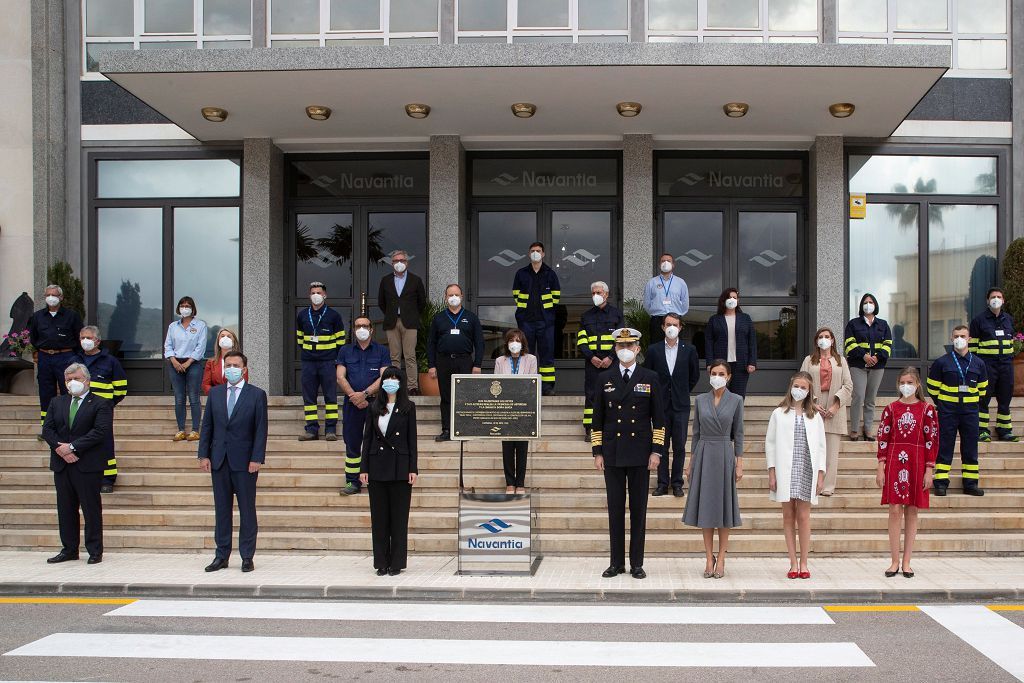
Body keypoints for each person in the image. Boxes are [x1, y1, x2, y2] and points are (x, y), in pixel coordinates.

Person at [591, 327, 666, 580]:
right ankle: (615, 563)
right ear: (615, 349)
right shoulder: (605, 379)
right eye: (620, 346)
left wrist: (656, 451)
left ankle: (636, 563)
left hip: (640, 454)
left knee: (638, 510)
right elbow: (596, 419)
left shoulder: (650, 377)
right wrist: (597, 451)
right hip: (612, 453)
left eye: (629, 346)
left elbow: (660, 419)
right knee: (615, 510)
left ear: (637, 349)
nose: (625, 350)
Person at [197, 351, 268, 573]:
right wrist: (203, 454)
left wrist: (257, 458)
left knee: (247, 510)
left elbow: (261, 429)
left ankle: (247, 556)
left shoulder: (257, 395)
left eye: (236, 365)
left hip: (245, 461)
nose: (231, 368)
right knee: (222, 510)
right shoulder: (215, 394)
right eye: (228, 365)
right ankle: (221, 555)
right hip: (219, 460)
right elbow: (207, 425)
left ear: (244, 369)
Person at [41, 362, 112, 565]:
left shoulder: (100, 403)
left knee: (90, 509)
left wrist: (72, 447)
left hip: (87, 464)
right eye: (68, 380)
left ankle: (95, 550)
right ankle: (69, 549)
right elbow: (48, 430)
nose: (72, 383)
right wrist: (61, 449)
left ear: (87, 380)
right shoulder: (57, 402)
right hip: (62, 464)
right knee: (65, 508)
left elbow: (100, 431)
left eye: (77, 379)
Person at [682, 360, 743, 579]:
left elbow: (740, 433)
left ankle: (722, 557)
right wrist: (690, 462)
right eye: (714, 373)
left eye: (721, 373)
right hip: (704, 453)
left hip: (725, 453)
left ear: (728, 377)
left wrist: (740, 462)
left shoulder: (736, 400)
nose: (717, 376)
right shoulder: (700, 400)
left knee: (724, 509)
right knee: (706, 509)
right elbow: (696, 433)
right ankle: (709, 557)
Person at [876, 367, 938, 578]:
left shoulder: (927, 409)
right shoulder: (891, 409)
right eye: (903, 382)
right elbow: (883, 438)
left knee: (912, 510)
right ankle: (894, 560)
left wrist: (929, 470)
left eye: (910, 382)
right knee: (894, 510)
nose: (906, 386)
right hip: (895, 461)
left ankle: (907, 561)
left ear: (918, 384)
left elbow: (932, 440)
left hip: (918, 462)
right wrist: (880, 467)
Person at [765, 371, 827, 580]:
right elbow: (770, 444)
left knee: (804, 516)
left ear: (809, 392)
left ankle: (804, 562)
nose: (799, 390)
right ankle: (792, 562)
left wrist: (820, 474)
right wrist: (772, 472)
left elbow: (821, 446)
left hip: (807, 468)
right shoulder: (779, 413)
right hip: (785, 469)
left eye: (804, 388)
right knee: (788, 516)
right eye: (796, 386)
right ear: (791, 387)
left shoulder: (814, 416)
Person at [359, 367, 418, 576]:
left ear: (401, 383)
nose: (391, 382)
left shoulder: (408, 407)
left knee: (399, 518)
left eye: (395, 378)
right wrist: (363, 467)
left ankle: (396, 562)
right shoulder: (374, 407)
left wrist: (413, 468)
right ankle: (381, 562)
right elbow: (366, 439)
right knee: (380, 518)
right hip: (376, 467)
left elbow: (412, 441)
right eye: (388, 378)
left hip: (400, 467)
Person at [926, 325, 988, 497]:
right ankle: (940, 483)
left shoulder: (979, 363)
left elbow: (982, 390)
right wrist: (945, 403)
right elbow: (932, 387)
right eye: (956, 336)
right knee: (945, 446)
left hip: (970, 413)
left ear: (969, 339)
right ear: (951, 339)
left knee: (970, 448)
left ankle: (970, 484)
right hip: (948, 412)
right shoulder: (941, 362)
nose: (959, 339)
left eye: (963, 336)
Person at [644, 312, 699, 497]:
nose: (671, 327)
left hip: (681, 406)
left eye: (675, 324)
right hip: (660, 406)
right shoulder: (653, 350)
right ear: (662, 327)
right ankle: (662, 483)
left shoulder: (689, 350)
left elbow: (694, 376)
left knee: (679, 446)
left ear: (680, 327)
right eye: (668, 324)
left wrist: (682, 391)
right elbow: (648, 376)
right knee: (660, 445)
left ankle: (677, 483)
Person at [336, 315, 390, 496]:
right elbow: (340, 376)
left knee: (377, 442)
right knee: (352, 443)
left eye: (365, 325)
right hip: (352, 404)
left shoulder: (381, 351)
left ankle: (375, 480)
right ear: (354, 329)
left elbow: (384, 376)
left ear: (372, 329)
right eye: (358, 325)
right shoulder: (345, 351)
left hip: (375, 403)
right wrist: (354, 396)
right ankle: (353, 482)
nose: (361, 329)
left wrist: (365, 394)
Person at [799, 327, 854, 496]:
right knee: (811, 449)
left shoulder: (841, 360)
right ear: (816, 341)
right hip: (813, 407)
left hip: (834, 407)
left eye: (827, 336)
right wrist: (812, 403)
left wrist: (836, 406)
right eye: (820, 337)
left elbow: (848, 385)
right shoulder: (809, 360)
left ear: (832, 340)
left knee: (831, 452)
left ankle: (828, 486)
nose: (824, 339)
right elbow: (801, 381)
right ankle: (812, 484)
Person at [427, 284, 484, 441]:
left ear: (462, 296)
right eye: (450, 295)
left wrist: (477, 364)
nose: (453, 298)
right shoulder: (439, 318)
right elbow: (431, 343)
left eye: (456, 294)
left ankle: (463, 429)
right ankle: (446, 429)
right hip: (443, 361)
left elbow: (479, 343)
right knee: (446, 397)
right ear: (446, 298)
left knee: (465, 396)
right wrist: (431, 365)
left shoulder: (471, 317)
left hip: (464, 361)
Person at [76, 326, 127, 493]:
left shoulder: (111, 361)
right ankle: (84, 476)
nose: (85, 341)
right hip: (79, 408)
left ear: (97, 340)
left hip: (101, 410)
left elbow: (120, 389)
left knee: (104, 443)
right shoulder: (75, 361)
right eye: (82, 337)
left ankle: (108, 478)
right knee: (81, 441)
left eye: (88, 338)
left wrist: (107, 404)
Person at [28, 284, 83, 433]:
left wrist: (76, 358)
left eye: (54, 295)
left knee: (68, 391)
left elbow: (79, 337)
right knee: (46, 393)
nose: (51, 298)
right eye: (48, 295)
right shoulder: (37, 316)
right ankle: (47, 427)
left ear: (61, 297)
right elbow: (33, 337)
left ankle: (69, 426)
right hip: (45, 357)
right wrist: (40, 352)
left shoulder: (71, 316)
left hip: (66, 356)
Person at [296, 282, 346, 442]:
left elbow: (341, 341)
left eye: (319, 292)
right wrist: (309, 353)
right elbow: (299, 338)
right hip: (308, 362)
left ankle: (331, 429)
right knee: (309, 399)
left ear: (325, 295)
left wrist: (336, 361)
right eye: (313, 292)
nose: (316, 295)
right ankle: (311, 430)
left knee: (330, 397)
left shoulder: (334, 316)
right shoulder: (302, 315)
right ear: (309, 295)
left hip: (328, 362)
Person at [970, 287, 1019, 442]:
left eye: (998, 296)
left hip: (1006, 364)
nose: (996, 299)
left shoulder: (1009, 319)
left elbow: (1011, 341)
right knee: (983, 398)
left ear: (1003, 300)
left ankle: (1004, 429)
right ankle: (982, 430)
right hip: (987, 365)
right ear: (987, 300)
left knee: (1005, 397)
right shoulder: (978, 321)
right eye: (993, 297)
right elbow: (973, 349)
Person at [512, 242, 561, 395]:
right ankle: (527, 386)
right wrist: (523, 312)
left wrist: (547, 314)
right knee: (526, 354)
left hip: (545, 322)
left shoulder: (550, 273)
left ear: (543, 253)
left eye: (538, 251)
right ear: (529, 253)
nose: (535, 253)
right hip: (526, 321)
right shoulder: (521, 273)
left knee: (547, 356)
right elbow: (516, 295)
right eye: (532, 250)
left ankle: (547, 387)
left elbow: (556, 297)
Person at [577, 281, 624, 441]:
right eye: (593, 293)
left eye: (599, 292)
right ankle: (590, 429)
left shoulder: (616, 314)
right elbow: (582, 341)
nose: (596, 295)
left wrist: (611, 357)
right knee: (591, 396)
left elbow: (621, 340)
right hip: (593, 364)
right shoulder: (586, 316)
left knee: (613, 394)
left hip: (611, 363)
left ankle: (612, 427)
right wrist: (591, 357)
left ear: (606, 294)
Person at [494, 329, 538, 493]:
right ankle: (509, 483)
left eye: (518, 340)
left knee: (521, 447)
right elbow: (496, 384)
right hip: (505, 409)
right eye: (511, 340)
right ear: (507, 343)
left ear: (523, 343)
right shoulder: (500, 360)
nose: (514, 343)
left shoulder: (531, 359)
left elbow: (533, 382)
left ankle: (520, 483)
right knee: (507, 448)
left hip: (524, 408)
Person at [377, 250, 427, 395]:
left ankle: (412, 387)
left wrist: (411, 314)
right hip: (392, 321)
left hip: (410, 323)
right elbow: (381, 302)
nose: (399, 263)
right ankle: (395, 386)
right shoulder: (385, 280)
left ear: (407, 262)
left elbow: (421, 302)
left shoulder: (415, 280)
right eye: (395, 261)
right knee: (394, 356)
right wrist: (391, 313)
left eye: (402, 260)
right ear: (392, 264)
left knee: (410, 355)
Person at [844, 292, 892, 442]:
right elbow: (849, 344)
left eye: (871, 302)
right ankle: (854, 430)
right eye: (865, 302)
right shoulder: (853, 324)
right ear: (861, 306)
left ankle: (868, 430)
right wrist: (864, 356)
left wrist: (877, 357)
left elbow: (888, 344)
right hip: (858, 365)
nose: (868, 304)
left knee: (871, 399)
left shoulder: (883, 324)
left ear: (875, 305)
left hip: (877, 366)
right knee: (858, 396)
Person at [163, 296, 207, 442]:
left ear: (193, 308)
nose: (185, 308)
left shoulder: (200, 326)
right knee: (179, 398)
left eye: (188, 305)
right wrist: (174, 361)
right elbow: (168, 346)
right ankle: (181, 429)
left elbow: (200, 347)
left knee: (194, 397)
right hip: (175, 363)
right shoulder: (173, 326)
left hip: (193, 363)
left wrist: (188, 363)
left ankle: (195, 430)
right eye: (182, 305)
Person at [704, 288, 757, 398]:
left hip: (741, 364)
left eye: (734, 297)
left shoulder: (745, 318)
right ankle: (721, 416)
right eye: (729, 297)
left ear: (738, 301)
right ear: (723, 300)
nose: (732, 300)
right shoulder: (714, 319)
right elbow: (708, 342)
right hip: (720, 363)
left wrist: (752, 362)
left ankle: (737, 416)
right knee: (720, 394)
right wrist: (709, 363)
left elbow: (752, 341)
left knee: (738, 396)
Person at [642, 253, 690, 345]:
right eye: (663, 261)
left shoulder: (680, 282)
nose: (666, 263)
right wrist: (655, 313)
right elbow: (647, 303)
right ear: (659, 264)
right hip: (657, 320)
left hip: (675, 319)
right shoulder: (651, 282)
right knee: (656, 347)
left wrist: (678, 315)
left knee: (675, 346)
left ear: (673, 264)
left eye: (668, 261)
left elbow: (685, 303)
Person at [202, 328, 248, 395]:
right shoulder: (211, 362)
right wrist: (216, 394)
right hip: (217, 398)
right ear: (218, 341)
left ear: (234, 342)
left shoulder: (240, 361)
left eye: (229, 336)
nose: (225, 338)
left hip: (235, 396)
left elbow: (244, 382)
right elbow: (206, 384)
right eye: (222, 336)